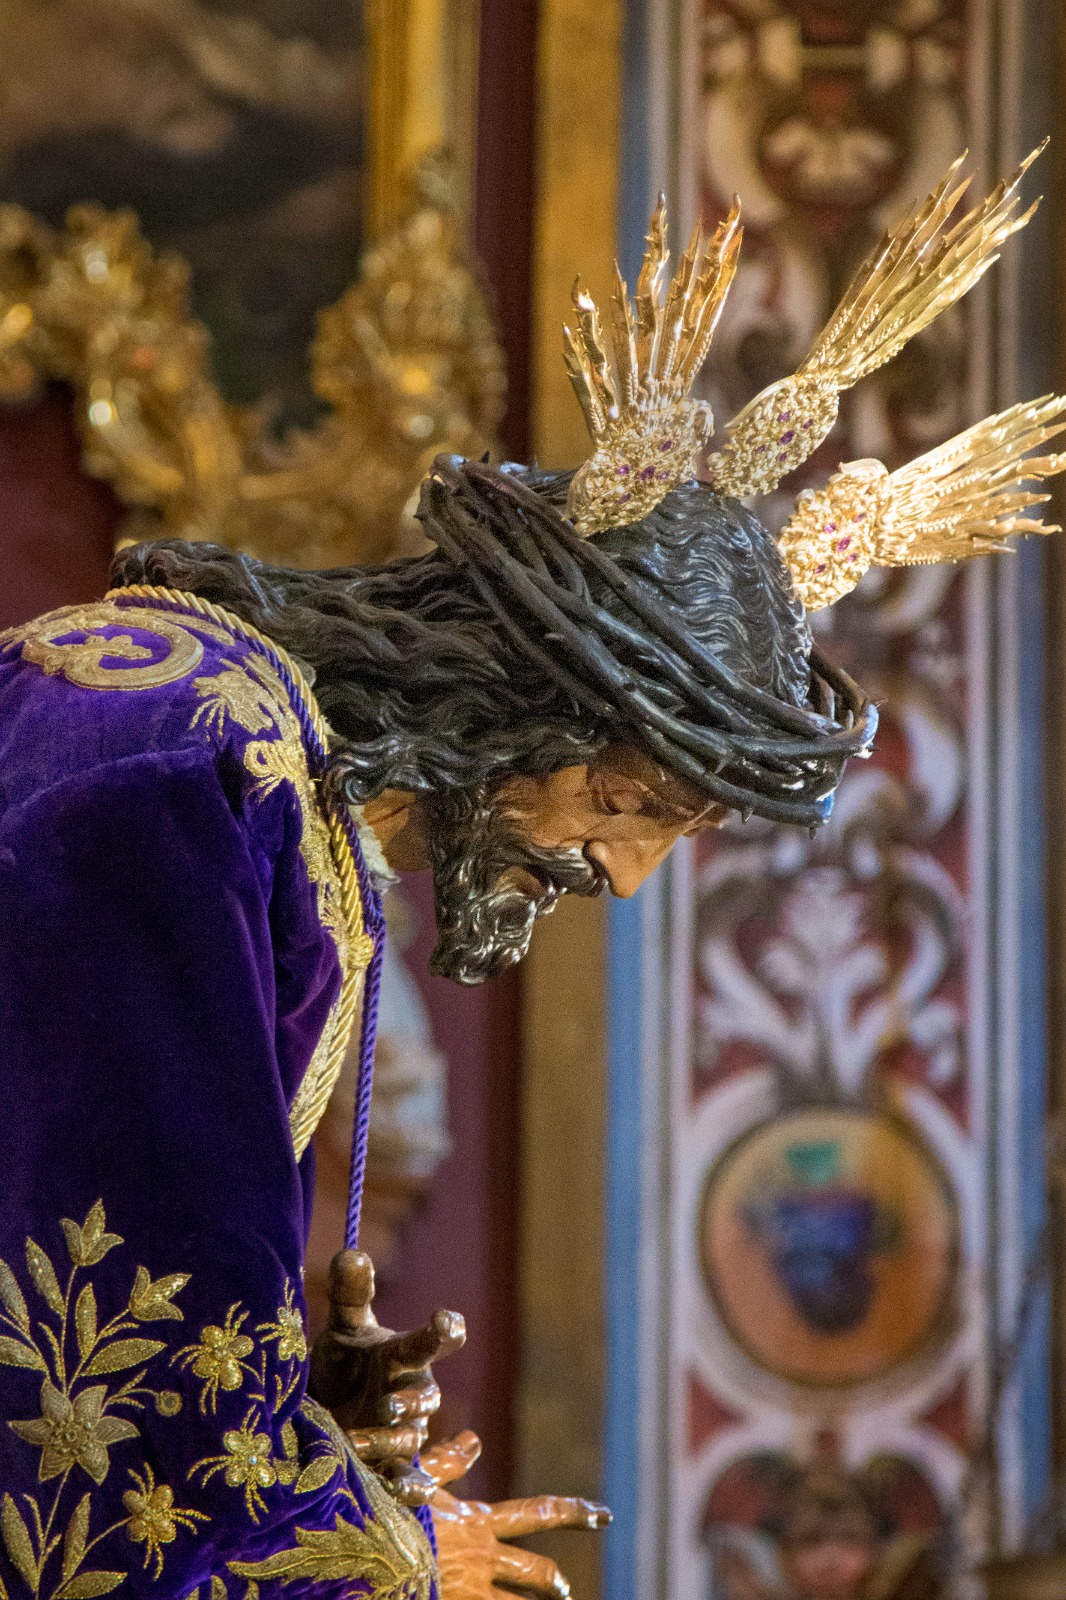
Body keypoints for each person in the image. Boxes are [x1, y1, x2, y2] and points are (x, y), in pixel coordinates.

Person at [0, 150, 1061, 1600]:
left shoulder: (252, 765)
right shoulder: (192, 770)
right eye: (626, 803)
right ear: (518, 695)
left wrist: (299, 1412)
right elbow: (105, 1344)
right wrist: (356, 1548)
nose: (621, 879)